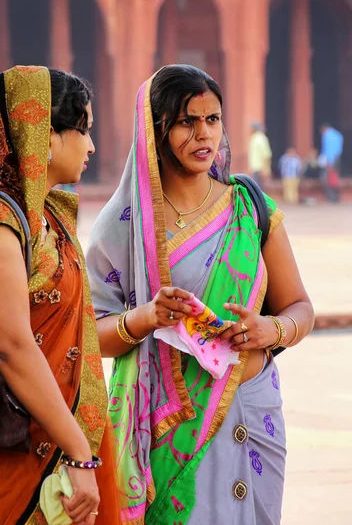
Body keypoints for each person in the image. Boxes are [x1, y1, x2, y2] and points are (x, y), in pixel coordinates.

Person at [86, 65, 314, 524]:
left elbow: (300, 308)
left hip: (254, 406)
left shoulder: (250, 209)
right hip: (171, 426)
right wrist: (145, 318)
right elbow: (91, 335)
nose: (203, 134)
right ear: (156, 130)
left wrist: (270, 329)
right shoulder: (124, 226)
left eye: (213, 119)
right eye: (187, 121)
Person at [0, 66, 120, 525]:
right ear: (44, 136)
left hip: (55, 434)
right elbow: (9, 344)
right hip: (10, 447)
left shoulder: (45, 214)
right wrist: (78, 452)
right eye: (82, 130)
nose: (91, 146)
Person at [319, 123, 343, 203]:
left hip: (330, 160)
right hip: (337, 159)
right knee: (335, 178)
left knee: (326, 178)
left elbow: (328, 149)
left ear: (324, 129)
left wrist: (329, 162)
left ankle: (331, 198)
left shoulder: (327, 135)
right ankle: (337, 198)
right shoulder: (338, 135)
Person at [248, 121, 272, 189]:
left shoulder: (260, 138)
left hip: (259, 168)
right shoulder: (255, 138)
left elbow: (266, 155)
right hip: (255, 168)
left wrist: (266, 169)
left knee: (259, 189)